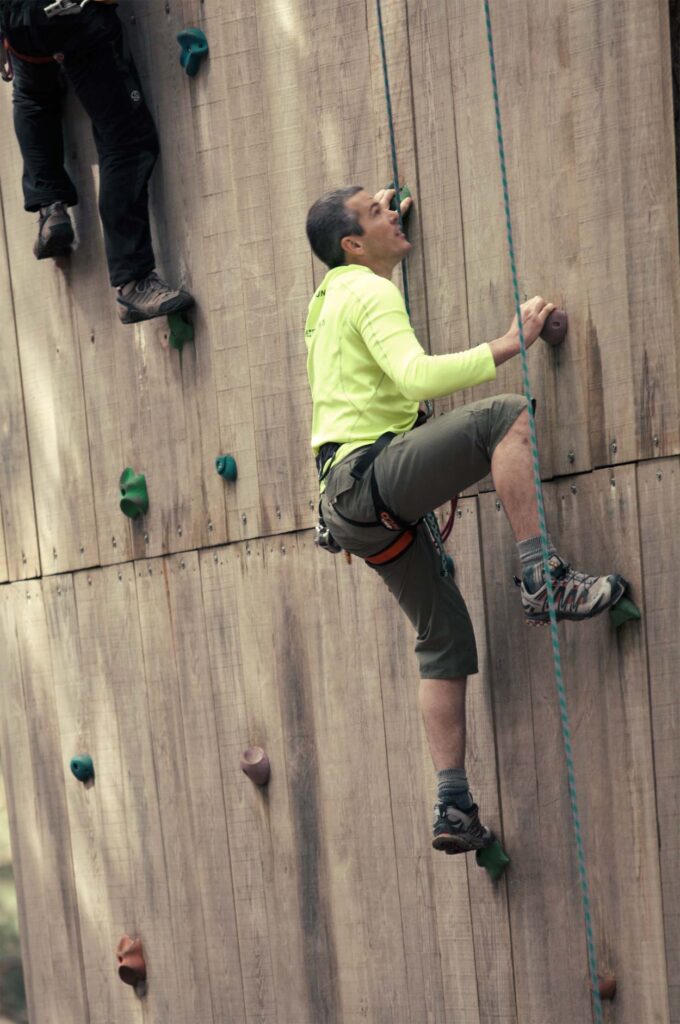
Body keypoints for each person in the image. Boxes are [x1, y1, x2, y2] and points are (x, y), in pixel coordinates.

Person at [304, 185, 626, 854]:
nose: (392, 211)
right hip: (372, 479)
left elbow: (364, 311)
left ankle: (452, 803)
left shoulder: (330, 297)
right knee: (503, 418)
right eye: (375, 212)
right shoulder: (367, 291)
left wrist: (374, 219)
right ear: (351, 246)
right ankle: (543, 576)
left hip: (352, 509)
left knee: (443, 639)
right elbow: (415, 376)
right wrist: (512, 341)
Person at [0, 0, 194, 324]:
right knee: (126, 141)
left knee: (33, 91)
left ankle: (51, 207)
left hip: (20, 20)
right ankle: (134, 281)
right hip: (69, 15)